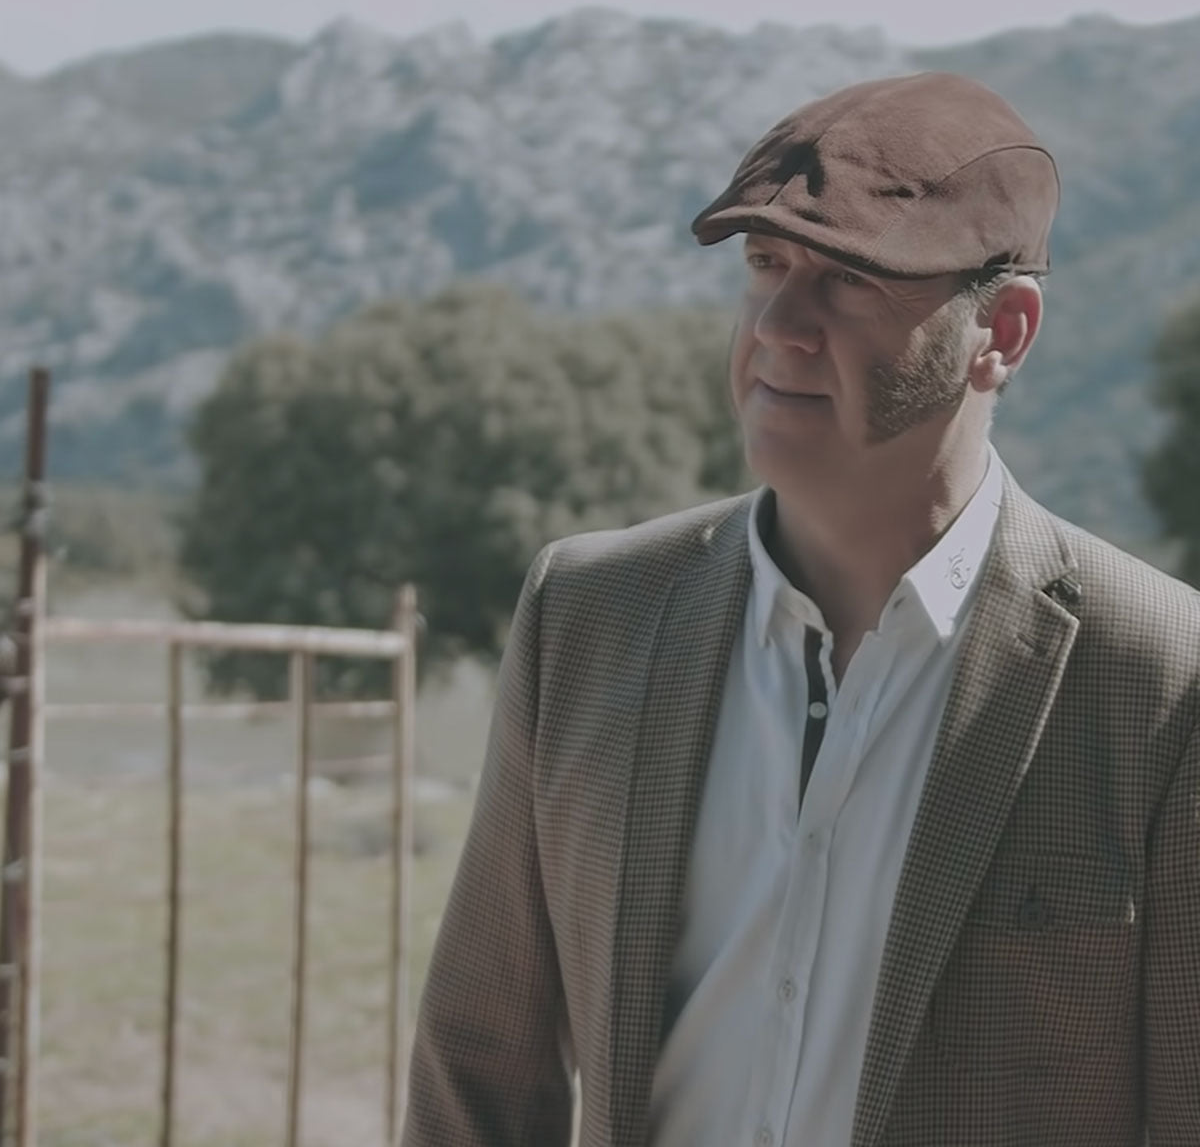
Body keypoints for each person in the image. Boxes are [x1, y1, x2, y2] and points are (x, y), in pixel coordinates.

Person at [402, 72, 1200, 1147]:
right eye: (768, 266)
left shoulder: (1163, 684)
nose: (780, 324)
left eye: (853, 281)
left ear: (1001, 331)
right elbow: (477, 1074)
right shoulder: (586, 618)